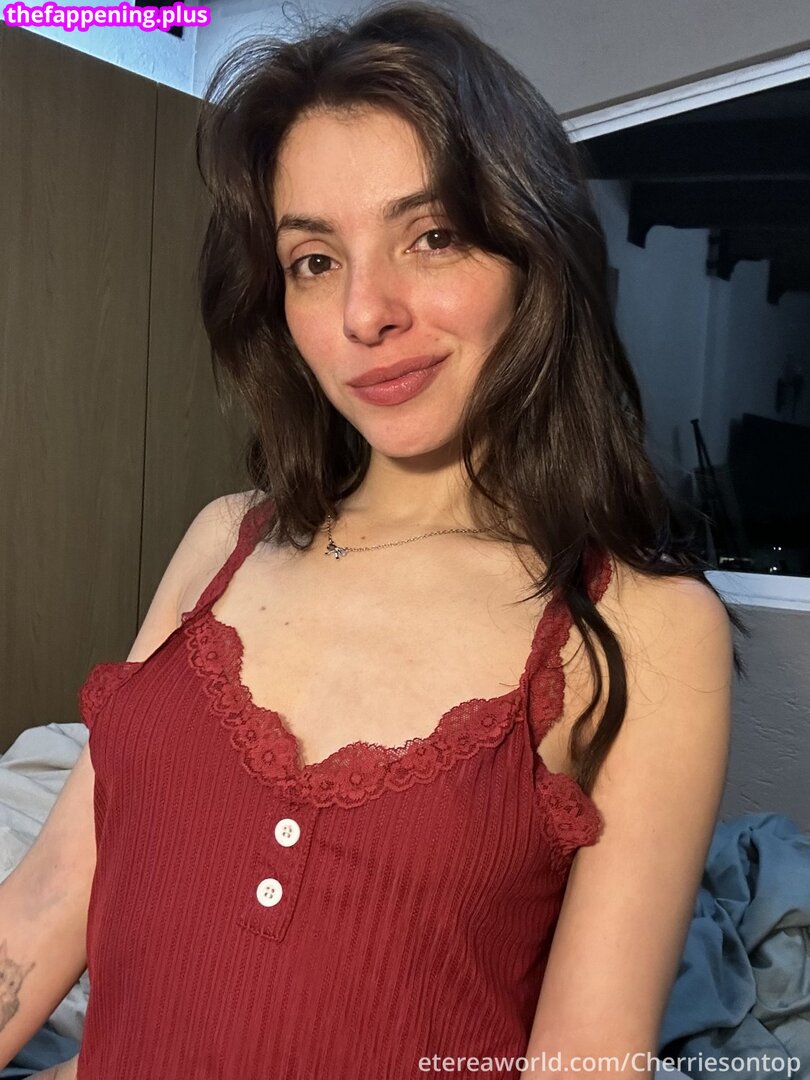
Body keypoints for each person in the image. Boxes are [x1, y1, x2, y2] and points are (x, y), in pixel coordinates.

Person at [1, 2, 747, 1077]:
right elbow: (48, 898)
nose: (365, 313)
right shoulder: (222, 542)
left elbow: (584, 1060)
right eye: (314, 259)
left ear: (532, 250)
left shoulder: (642, 629)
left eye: (431, 236)